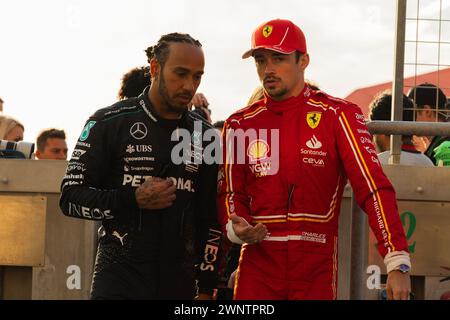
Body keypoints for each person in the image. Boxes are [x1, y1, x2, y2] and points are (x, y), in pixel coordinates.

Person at [217, 18, 411, 300]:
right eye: (260, 60)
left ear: (303, 60)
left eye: (278, 58)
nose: (267, 69)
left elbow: (373, 188)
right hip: (257, 265)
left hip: (314, 267)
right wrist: (237, 227)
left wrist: (396, 260)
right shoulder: (239, 123)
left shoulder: (337, 114)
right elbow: (232, 192)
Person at [59, 32, 221, 300]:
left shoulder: (206, 135)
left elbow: (209, 217)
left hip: (179, 283)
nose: (189, 85)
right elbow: (69, 197)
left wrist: (206, 286)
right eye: (180, 73)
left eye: (197, 76)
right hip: (119, 279)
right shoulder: (108, 122)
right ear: (155, 68)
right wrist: (132, 198)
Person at [369, 90, 433, 166]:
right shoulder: (427, 162)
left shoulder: (375, 164)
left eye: (373, 133)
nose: (373, 140)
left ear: (380, 129)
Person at [407, 83, 449, 165]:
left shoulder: (444, 147)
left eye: (411, 113)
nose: (408, 118)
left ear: (427, 111)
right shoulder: (437, 144)